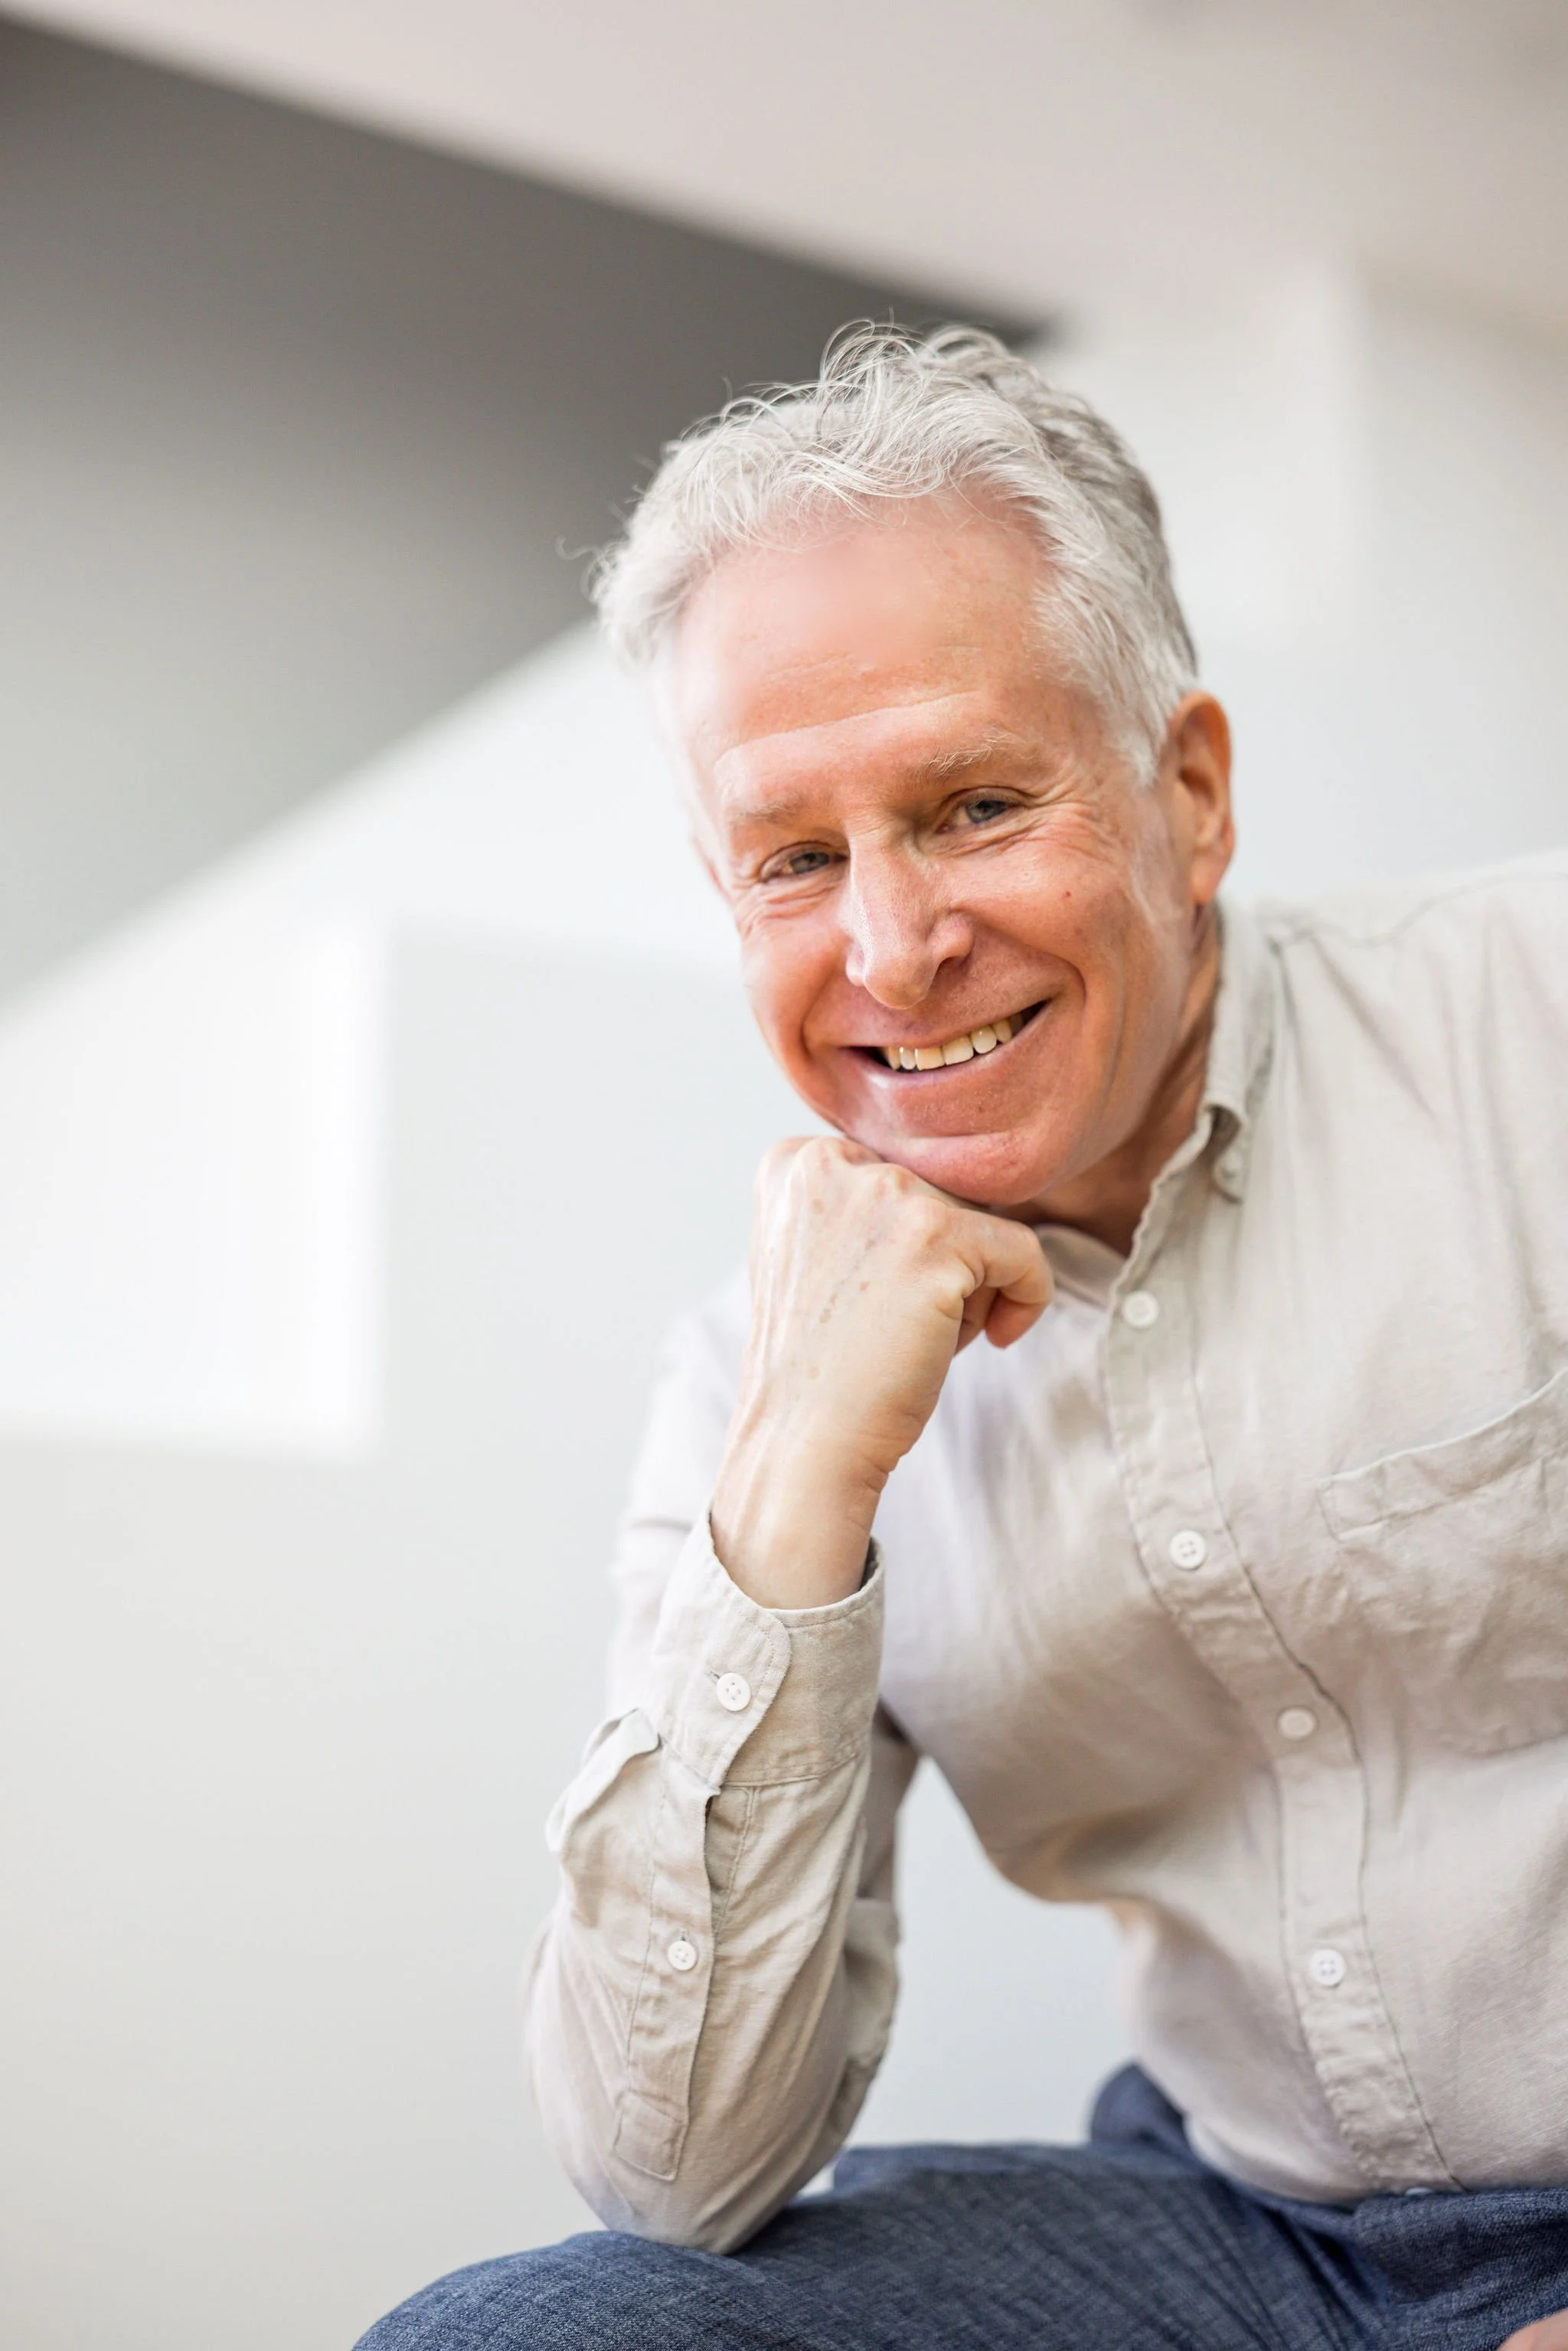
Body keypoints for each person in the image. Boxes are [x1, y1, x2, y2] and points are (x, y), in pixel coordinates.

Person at [358, 328, 1568, 2350]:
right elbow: (675, 2171)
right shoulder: (761, 1368)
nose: (892, 941)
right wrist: (799, 1488)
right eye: (795, 857)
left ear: (1188, 794)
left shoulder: (1535, 1019)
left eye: (976, 802)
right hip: (1242, 2243)